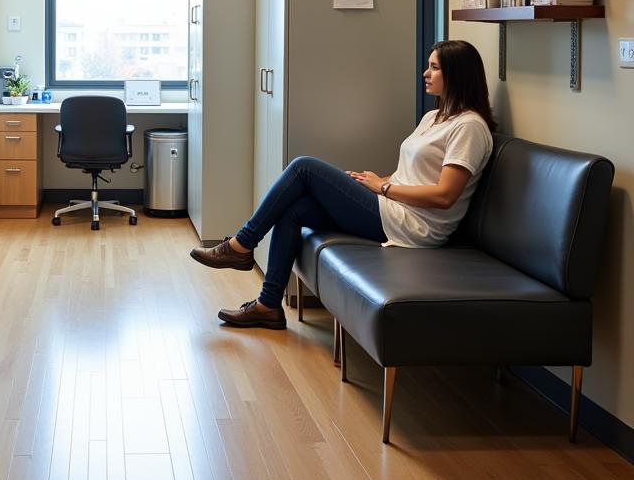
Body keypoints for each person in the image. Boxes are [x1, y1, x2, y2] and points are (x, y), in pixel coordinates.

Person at [190, 39, 496, 330]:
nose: (425, 73)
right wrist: (375, 180)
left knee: (304, 167)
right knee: (295, 210)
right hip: (392, 207)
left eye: (435, 68)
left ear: (457, 75)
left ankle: (240, 245)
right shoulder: (435, 117)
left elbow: (444, 196)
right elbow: (414, 172)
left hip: (413, 225)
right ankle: (268, 306)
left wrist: (383, 188)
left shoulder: (469, 127)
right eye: (428, 66)